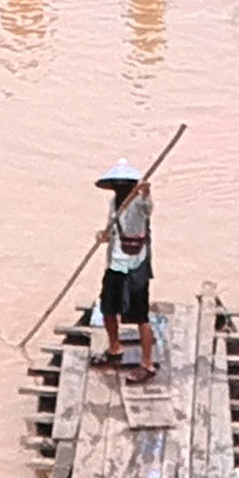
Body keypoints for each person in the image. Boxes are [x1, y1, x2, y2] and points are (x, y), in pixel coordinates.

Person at [91, 160, 156, 379]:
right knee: (107, 309)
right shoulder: (113, 203)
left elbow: (148, 209)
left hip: (135, 265)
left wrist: (146, 194)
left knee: (140, 315)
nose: (120, 187)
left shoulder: (137, 202)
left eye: (123, 183)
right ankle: (115, 348)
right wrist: (103, 236)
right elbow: (113, 231)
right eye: (116, 183)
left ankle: (147, 364)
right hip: (115, 264)